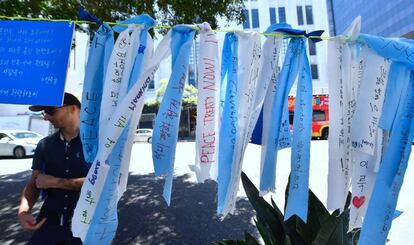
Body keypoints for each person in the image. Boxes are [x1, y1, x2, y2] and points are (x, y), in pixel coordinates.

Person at [18, 92, 90, 244]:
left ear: (73, 109)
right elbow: (33, 183)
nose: (46, 117)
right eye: (45, 112)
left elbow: (102, 183)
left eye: (51, 111)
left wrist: (56, 182)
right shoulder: (45, 145)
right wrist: (23, 211)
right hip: (49, 222)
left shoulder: (95, 143)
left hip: (87, 225)